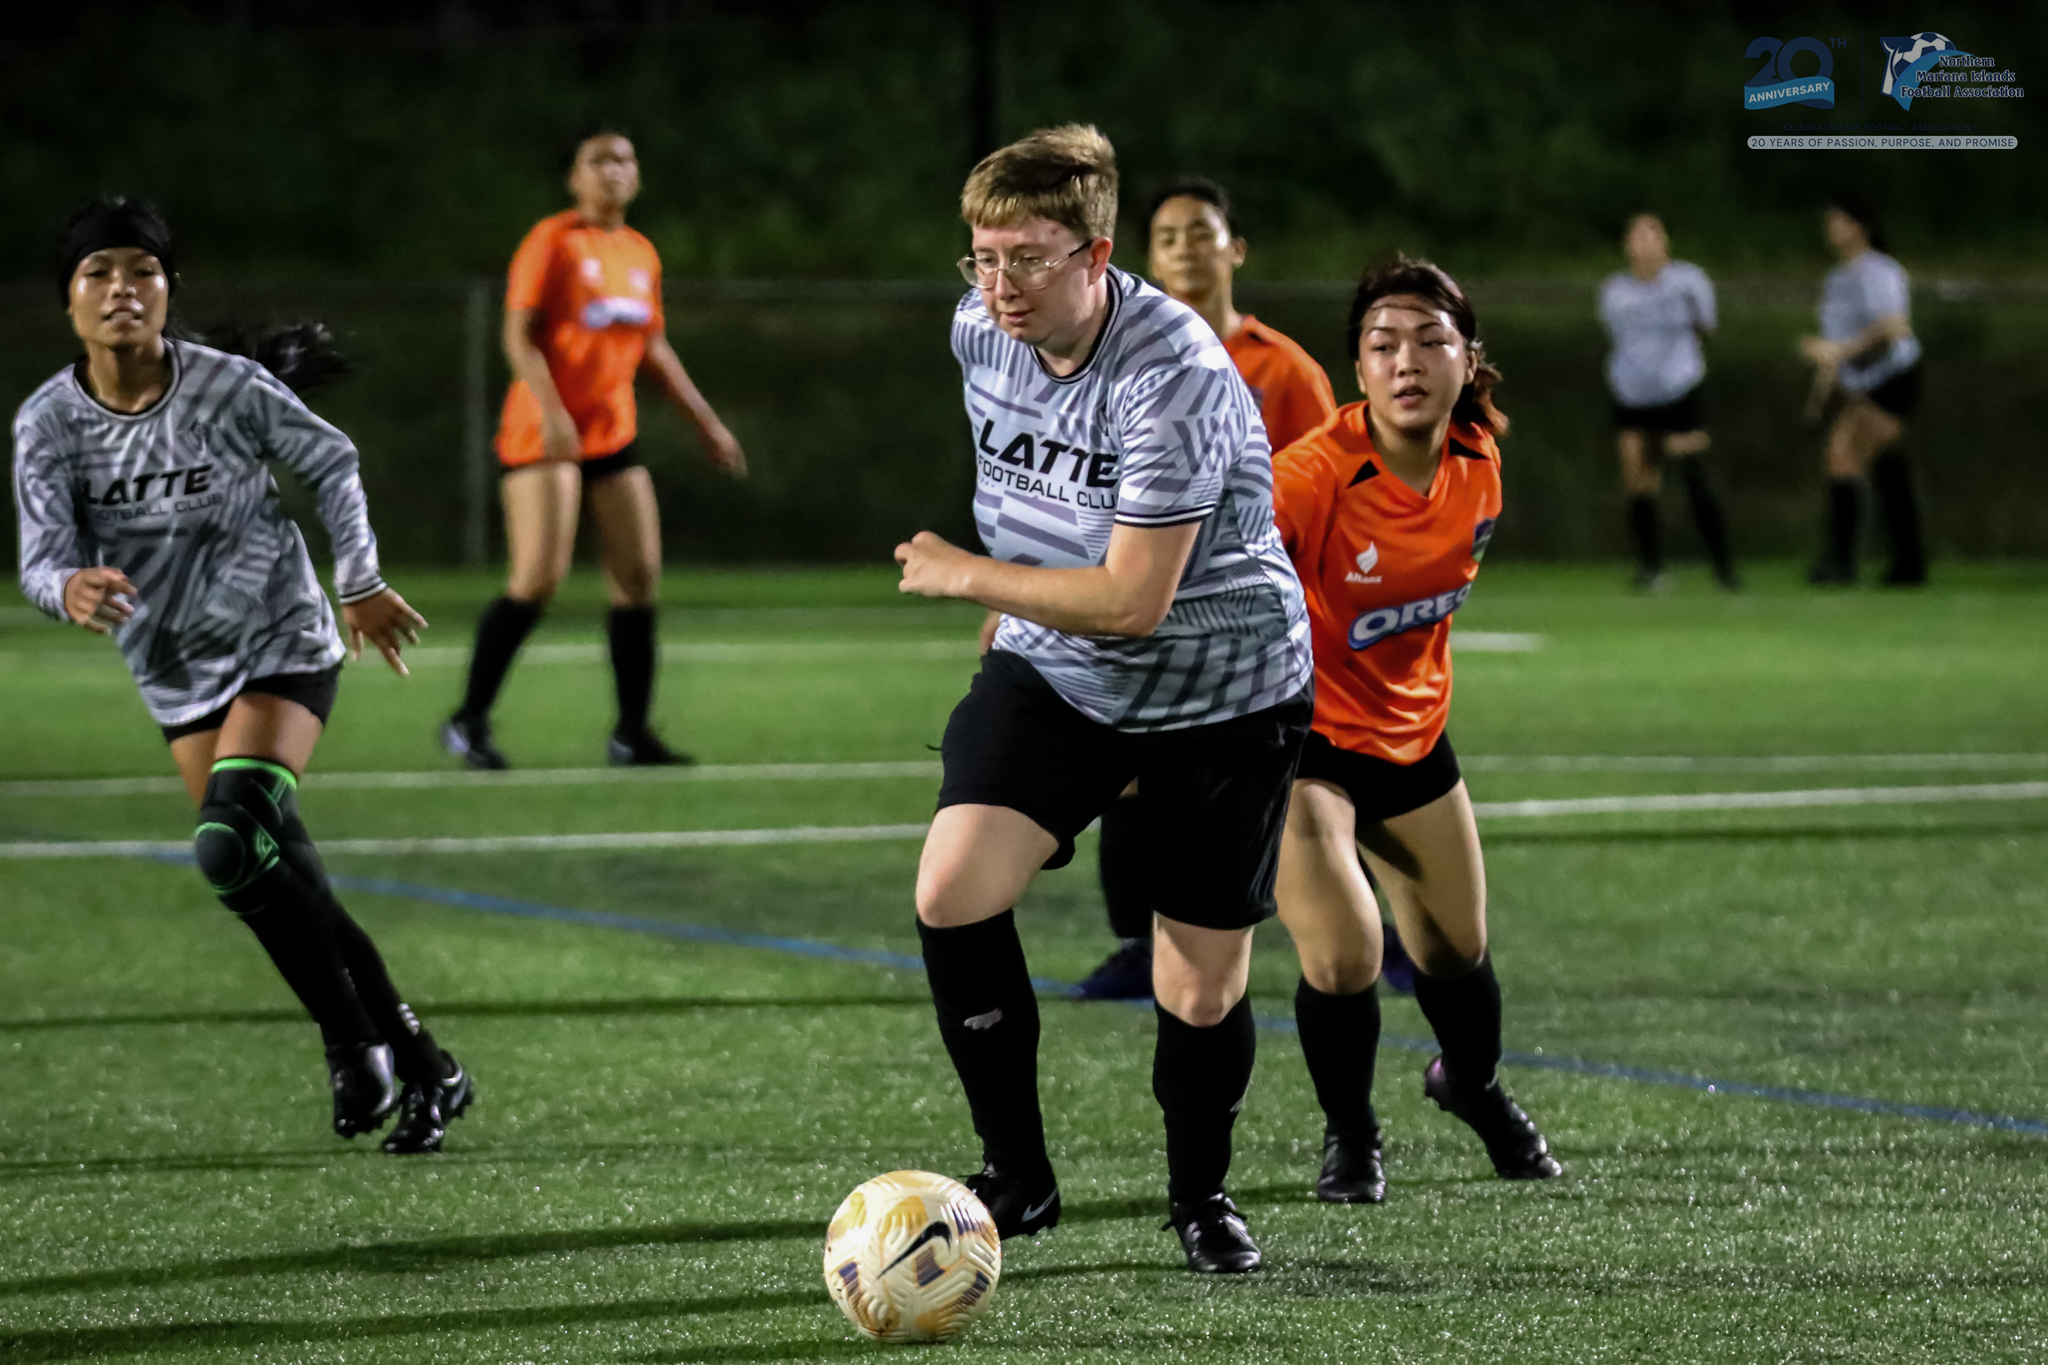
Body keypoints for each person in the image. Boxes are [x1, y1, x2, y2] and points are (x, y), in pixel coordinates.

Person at [896, 126, 1313, 1273]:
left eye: (1027, 259)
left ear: (1095, 255)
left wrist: (968, 577)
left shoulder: (1173, 372)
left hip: (1219, 688)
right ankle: (1016, 1178)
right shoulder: (978, 328)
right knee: (952, 889)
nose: (998, 285)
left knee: (1197, 982)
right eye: (982, 257)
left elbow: (1133, 600)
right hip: (1060, 668)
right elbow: (1029, 480)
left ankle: (1199, 1195)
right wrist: (1009, 603)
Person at [14, 198, 471, 1152]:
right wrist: (69, 587)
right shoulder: (48, 423)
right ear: (69, 301)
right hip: (175, 667)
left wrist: (361, 580)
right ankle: (426, 1063)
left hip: (279, 638)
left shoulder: (226, 387)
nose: (122, 288)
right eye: (99, 272)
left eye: (142, 270)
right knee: (281, 873)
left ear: (167, 289)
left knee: (228, 844)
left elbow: (332, 461)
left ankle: (351, 1041)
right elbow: (41, 560)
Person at [1268, 256, 1562, 1206]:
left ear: (1467, 360)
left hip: (1411, 736)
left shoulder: (1479, 461)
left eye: (1431, 340)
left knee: (1457, 954)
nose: (1407, 361)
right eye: (1383, 343)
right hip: (1303, 739)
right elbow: (1211, 580)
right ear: (1357, 368)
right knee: (1346, 948)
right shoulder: (1310, 477)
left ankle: (1470, 1085)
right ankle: (1351, 1134)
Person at [1071, 174, 1340, 1003]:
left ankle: (1362, 930)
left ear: (1236, 250)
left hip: (1253, 624)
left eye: (1201, 233)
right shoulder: (1123, 359)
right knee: (1125, 767)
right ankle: (1134, 943)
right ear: (1148, 260)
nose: (1185, 249)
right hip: (1149, 602)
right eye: (1168, 237)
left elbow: (1328, 490)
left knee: (1303, 783)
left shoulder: (1283, 369)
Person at [442, 127, 747, 770]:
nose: (614, 170)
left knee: (638, 578)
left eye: (624, 160)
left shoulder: (638, 251)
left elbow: (652, 345)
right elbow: (518, 334)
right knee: (537, 579)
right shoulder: (552, 241)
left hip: (612, 433)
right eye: (599, 160)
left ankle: (631, 734)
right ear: (574, 177)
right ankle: (468, 720)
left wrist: (706, 422)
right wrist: (552, 412)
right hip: (545, 434)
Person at [1598, 214, 1737, 591]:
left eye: (1651, 235)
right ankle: (1651, 567)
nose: (1643, 244)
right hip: (1632, 394)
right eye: (1636, 237)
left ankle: (1723, 565)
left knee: (1692, 472)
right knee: (1637, 473)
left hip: (1679, 388)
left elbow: (1707, 328)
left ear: (1665, 242)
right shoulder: (1615, 292)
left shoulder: (1688, 282)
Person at [1802, 199, 1926, 586]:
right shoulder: (1837, 280)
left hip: (1892, 376)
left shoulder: (1880, 272)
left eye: (1838, 221)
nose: (1830, 228)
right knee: (1886, 466)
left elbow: (1893, 328)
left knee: (1843, 455)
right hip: (1865, 382)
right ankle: (1908, 563)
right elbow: (1833, 347)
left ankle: (1843, 562)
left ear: (1860, 227)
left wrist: (1843, 350)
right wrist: (1820, 396)